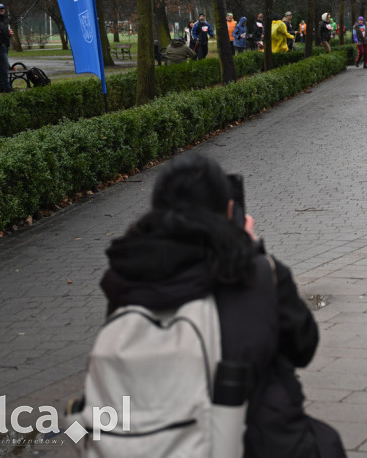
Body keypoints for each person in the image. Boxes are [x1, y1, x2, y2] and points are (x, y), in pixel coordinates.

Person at [98, 154, 346, 457]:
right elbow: (303, 346)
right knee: (326, 444)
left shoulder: (127, 276)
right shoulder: (257, 272)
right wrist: (250, 250)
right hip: (256, 436)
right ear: (230, 209)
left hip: (151, 440)